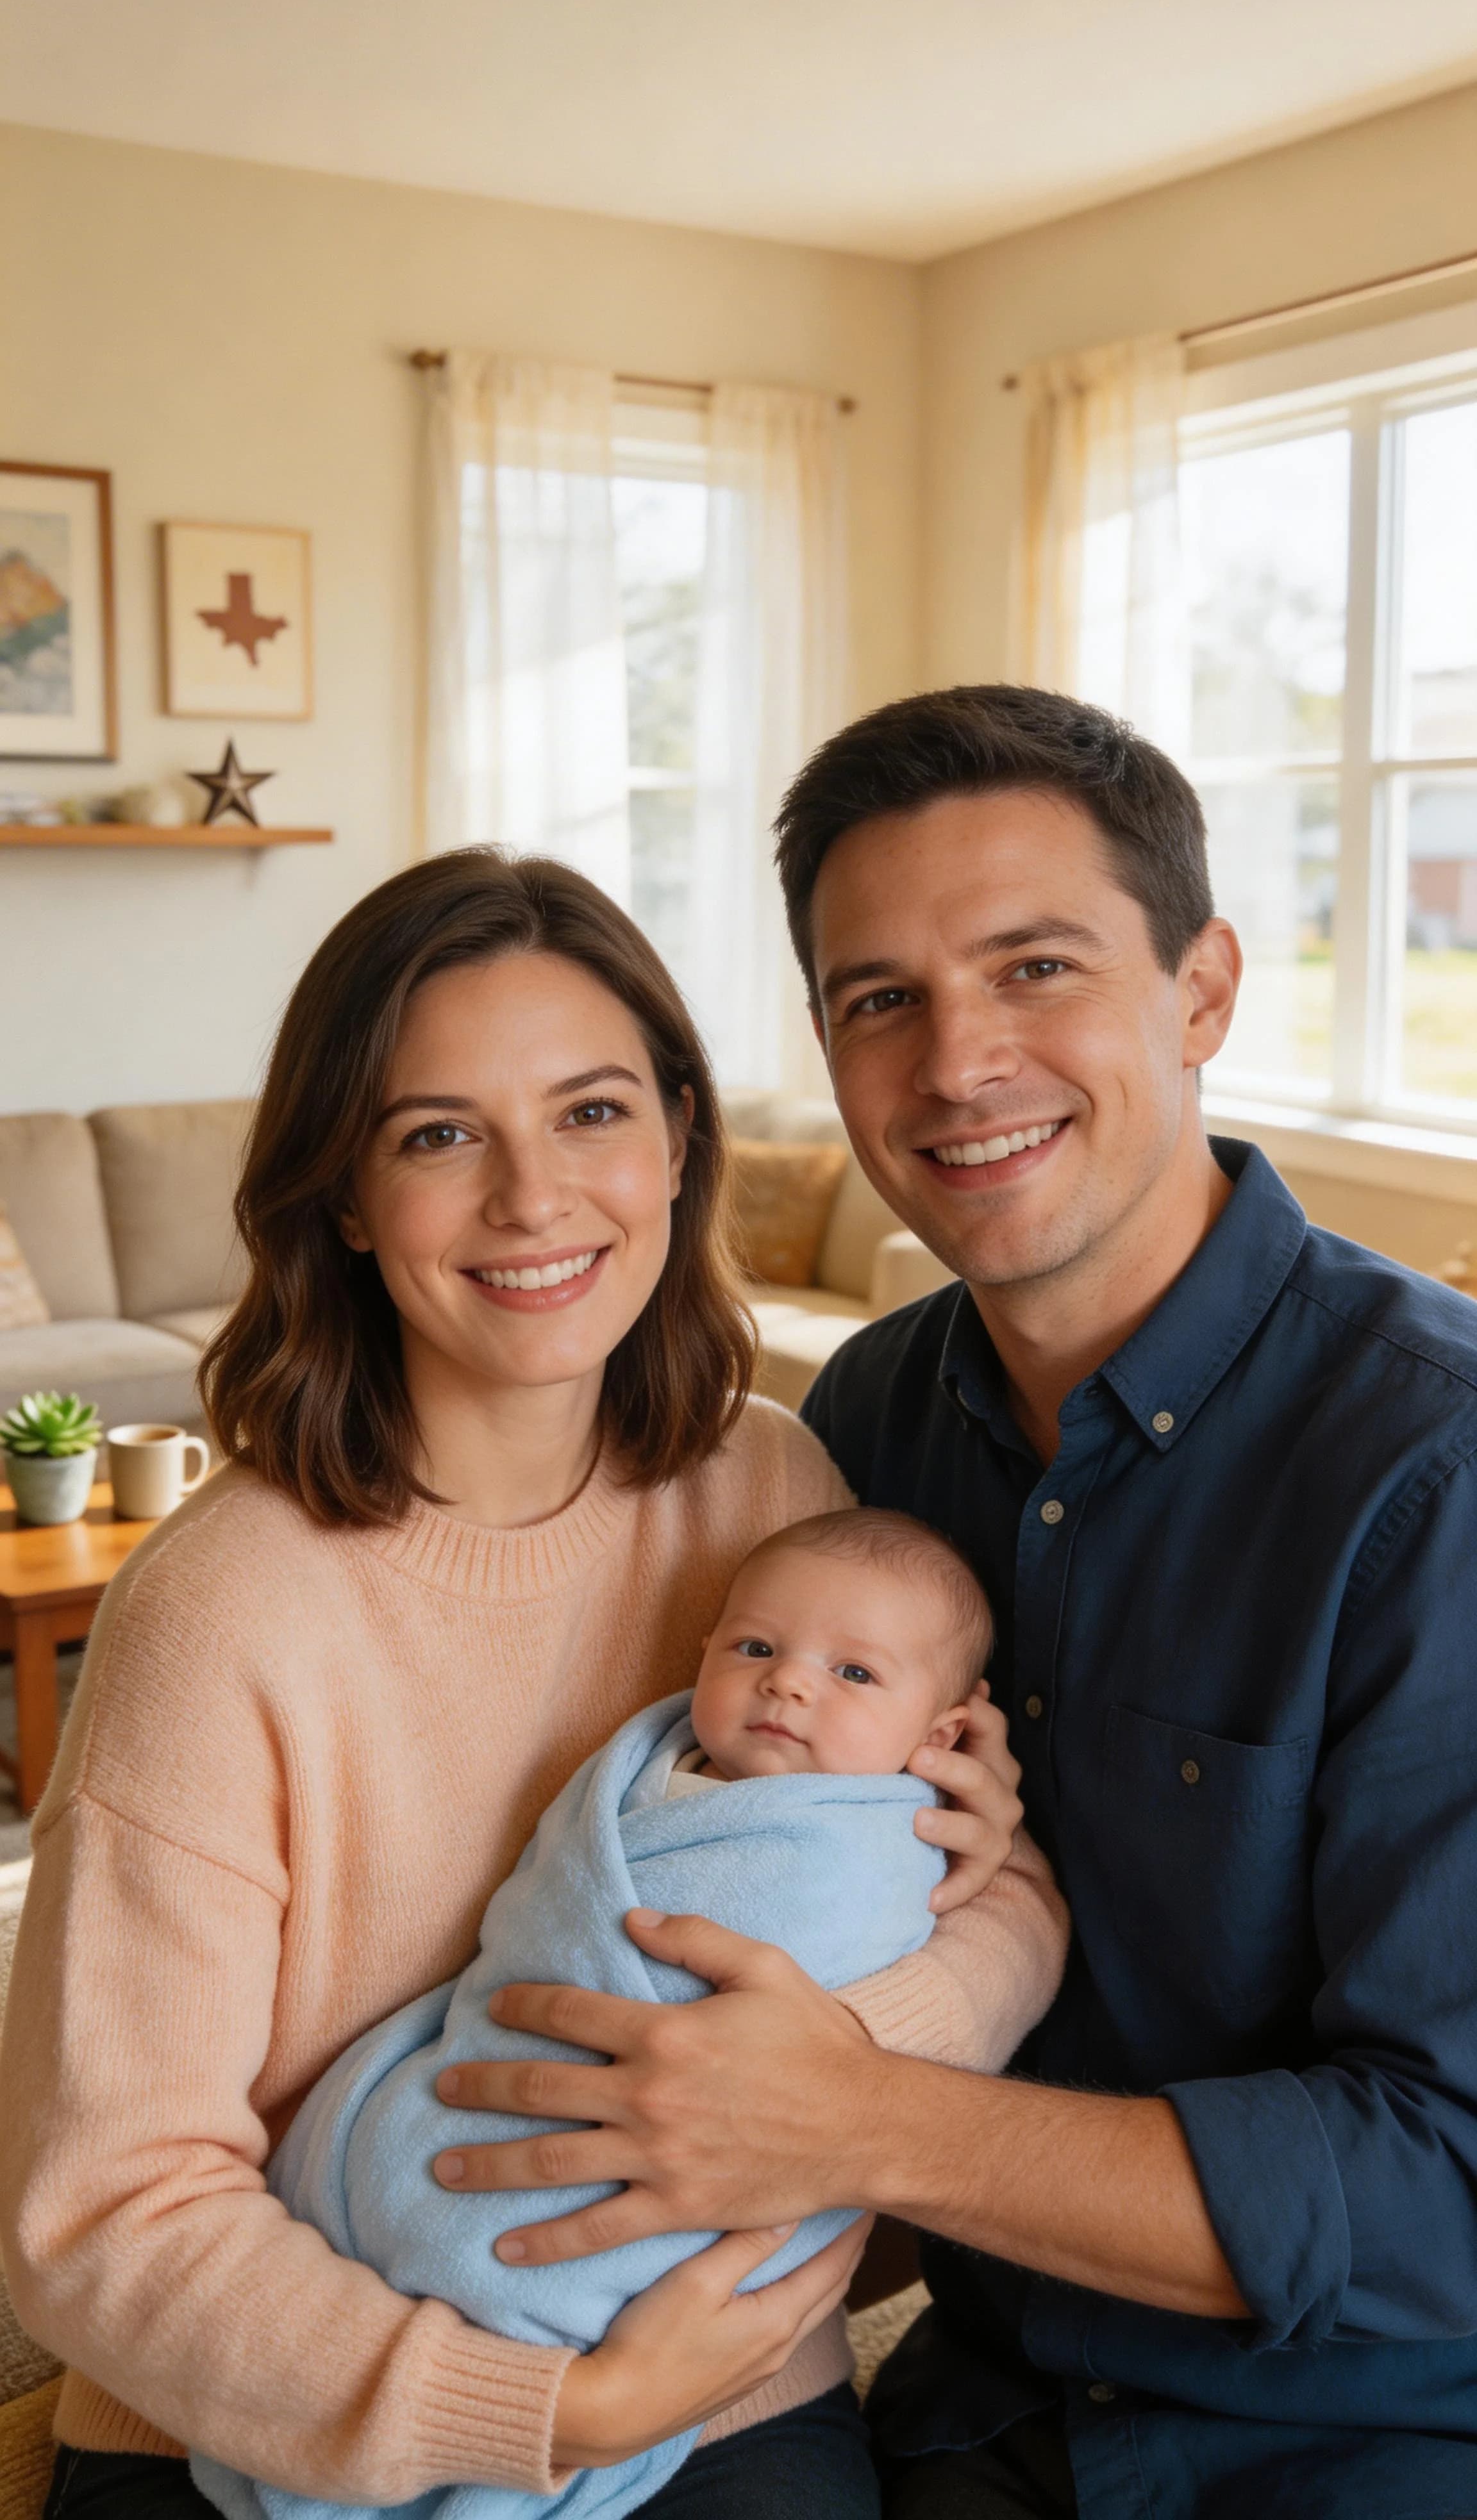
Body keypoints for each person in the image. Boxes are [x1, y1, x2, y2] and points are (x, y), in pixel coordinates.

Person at [430, 692, 1477, 2520]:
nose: (955, 1065)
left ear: (1206, 990)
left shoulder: (1437, 1476)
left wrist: (852, 2120)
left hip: (1363, 2439)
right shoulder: (868, 1428)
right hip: (962, 2404)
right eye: (878, 1001)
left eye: (1036, 967)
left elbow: (1452, 2189)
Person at [0, 848, 1067, 2520]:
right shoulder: (213, 1610)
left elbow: (1006, 1909)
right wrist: (550, 2406)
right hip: (272, 2422)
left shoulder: (780, 1498)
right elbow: (100, 2210)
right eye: (440, 1134)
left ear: (678, 1140)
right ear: (346, 1198)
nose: (532, 1197)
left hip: (722, 2388)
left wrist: (842, 2064)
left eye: (590, 1113)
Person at [199, 1508, 1059, 2520]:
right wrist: (571, 2408)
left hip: (700, 2312)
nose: (788, 1680)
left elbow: (1011, 1916)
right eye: (755, 1649)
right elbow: (546, 1918)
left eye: (854, 1675)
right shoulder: (646, 1767)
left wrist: (847, 2064)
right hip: (316, 2306)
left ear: (945, 1735)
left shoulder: (874, 1843)